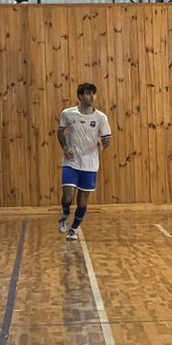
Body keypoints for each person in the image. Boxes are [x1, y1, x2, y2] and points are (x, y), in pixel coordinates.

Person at [58, 82, 113, 241]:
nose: (92, 97)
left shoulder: (101, 118)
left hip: (90, 163)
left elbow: (107, 139)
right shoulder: (68, 114)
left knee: (82, 200)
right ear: (81, 96)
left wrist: (102, 145)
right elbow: (60, 131)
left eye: (93, 94)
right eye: (88, 94)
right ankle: (65, 213)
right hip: (71, 161)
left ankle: (74, 229)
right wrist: (65, 147)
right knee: (68, 195)